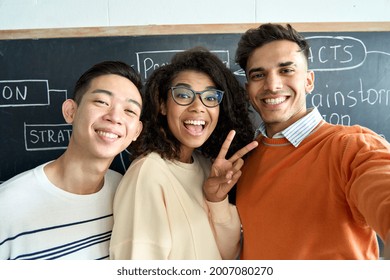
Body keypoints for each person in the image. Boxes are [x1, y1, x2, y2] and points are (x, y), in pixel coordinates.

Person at [235, 23, 390, 260]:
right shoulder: (243, 160)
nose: (272, 85)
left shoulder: (352, 147)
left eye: (286, 70)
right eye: (258, 74)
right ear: (248, 90)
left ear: (308, 81)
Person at [109, 47, 258, 260]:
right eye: (183, 95)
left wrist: (217, 200)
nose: (198, 107)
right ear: (162, 105)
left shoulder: (208, 167)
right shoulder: (148, 173)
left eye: (210, 97)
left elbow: (228, 254)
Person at [0, 61, 143, 260]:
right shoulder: (7, 206)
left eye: (130, 111)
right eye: (102, 102)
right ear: (70, 111)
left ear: (136, 131)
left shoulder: (125, 191)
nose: (115, 117)